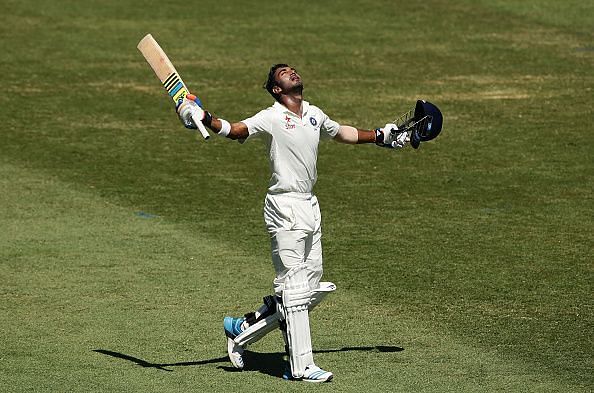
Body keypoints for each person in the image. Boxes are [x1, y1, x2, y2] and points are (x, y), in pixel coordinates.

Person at [177, 64, 409, 382]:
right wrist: (204, 119)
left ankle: (242, 330)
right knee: (294, 290)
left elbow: (342, 132)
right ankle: (299, 367)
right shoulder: (271, 116)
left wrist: (381, 136)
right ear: (276, 89)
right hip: (283, 206)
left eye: (293, 70)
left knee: (308, 290)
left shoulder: (313, 113)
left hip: (310, 206)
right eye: (284, 73)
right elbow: (235, 130)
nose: (293, 73)